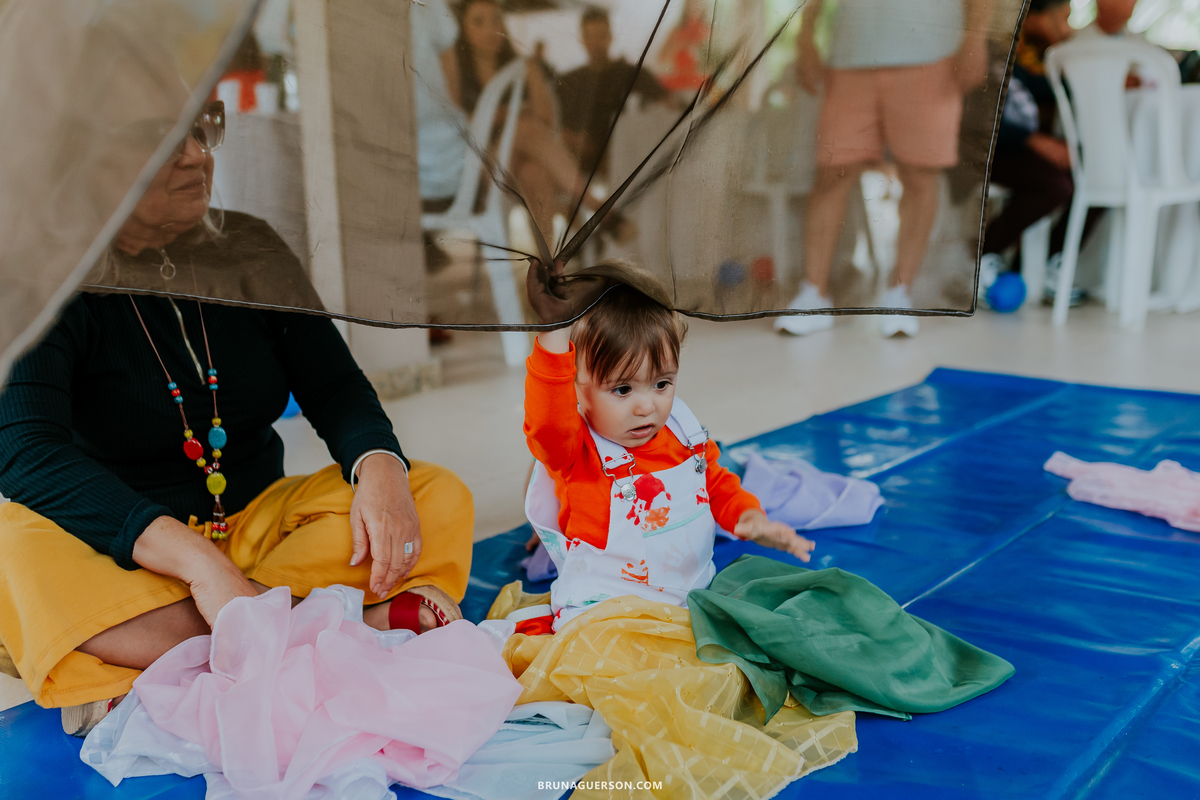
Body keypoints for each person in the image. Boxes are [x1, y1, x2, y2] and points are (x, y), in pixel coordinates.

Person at [0, 102, 474, 736]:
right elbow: (26, 451)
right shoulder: (43, 277)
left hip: (260, 523)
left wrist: (381, 472)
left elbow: (332, 384)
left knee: (436, 495)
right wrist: (201, 565)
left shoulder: (249, 247)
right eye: (163, 137)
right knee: (12, 548)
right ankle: (338, 625)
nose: (197, 153)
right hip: (129, 546)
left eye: (201, 127)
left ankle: (170, 651)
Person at [523, 261, 814, 629]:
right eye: (622, 389)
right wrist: (554, 331)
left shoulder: (683, 431)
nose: (647, 406)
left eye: (662, 384)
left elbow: (715, 484)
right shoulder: (575, 452)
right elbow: (547, 422)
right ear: (577, 388)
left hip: (692, 600)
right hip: (610, 617)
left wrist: (750, 518)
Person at [776, 0, 993, 337]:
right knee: (831, 173)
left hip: (933, 55)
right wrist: (805, 38)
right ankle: (813, 294)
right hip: (849, 56)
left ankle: (899, 295)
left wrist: (976, 38)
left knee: (920, 176)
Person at [443, 0, 602, 238]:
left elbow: (547, 124)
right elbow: (453, 121)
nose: (490, 29)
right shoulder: (456, 68)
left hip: (524, 162)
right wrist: (493, 115)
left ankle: (547, 259)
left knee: (533, 172)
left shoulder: (524, 67)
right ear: (463, 29)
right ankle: (592, 202)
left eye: (496, 20)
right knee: (521, 125)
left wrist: (528, 84)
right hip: (482, 163)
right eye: (478, 22)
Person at [980, 0, 1101, 299]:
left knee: (1099, 174)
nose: (1068, 30)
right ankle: (979, 257)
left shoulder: (1023, 54)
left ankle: (1050, 263)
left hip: (1014, 146)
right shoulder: (992, 46)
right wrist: (1033, 140)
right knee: (1054, 185)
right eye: (1062, 19)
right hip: (986, 150)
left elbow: (1040, 86)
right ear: (1037, 17)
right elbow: (978, 113)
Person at [558, 6, 669, 177]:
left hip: (626, 153)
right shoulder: (569, 81)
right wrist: (576, 140)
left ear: (610, 36)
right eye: (590, 36)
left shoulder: (630, 74)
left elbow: (667, 103)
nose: (596, 43)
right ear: (582, 39)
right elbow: (553, 126)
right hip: (580, 158)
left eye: (601, 35)